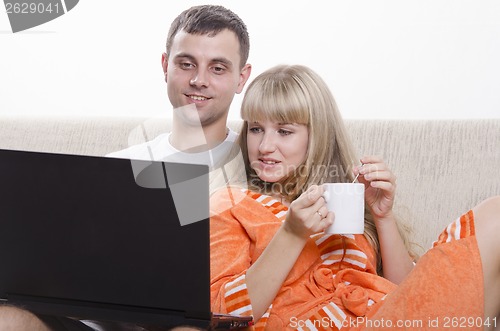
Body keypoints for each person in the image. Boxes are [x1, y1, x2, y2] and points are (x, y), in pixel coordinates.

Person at [0, 4, 251, 331]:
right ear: (165, 66)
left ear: (241, 78)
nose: (198, 80)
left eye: (218, 68)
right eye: (186, 64)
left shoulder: (260, 161)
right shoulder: (116, 168)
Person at [210, 64, 500, 330]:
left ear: (317, 136)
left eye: (284, 131)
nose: (265, 145)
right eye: (256, 129)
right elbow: (222, 314)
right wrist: (292, 234)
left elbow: (408, 293)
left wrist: (382, 216)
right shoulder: (232, 204)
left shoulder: (344, 199)